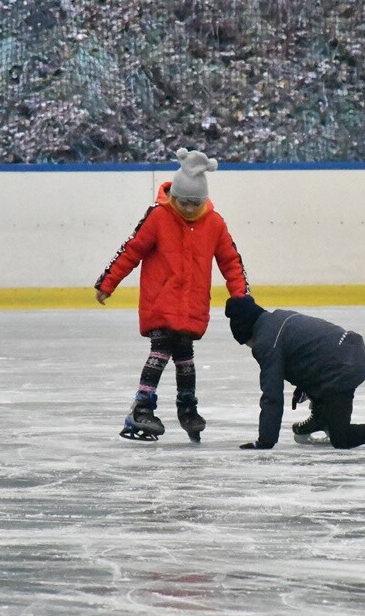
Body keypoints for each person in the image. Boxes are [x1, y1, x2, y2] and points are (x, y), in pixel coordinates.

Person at [95, 148, 250, 442]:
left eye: (196, 203)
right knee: (161, 350)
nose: (189, 209)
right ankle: (141, 407)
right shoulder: (157, 217)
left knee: (185, 358)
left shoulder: (215, 224)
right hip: (160, 302)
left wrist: (241, 296)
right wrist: (108, 282)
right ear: (173, 196)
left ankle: (187, 408)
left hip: (192, 306)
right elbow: (132, 250)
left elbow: (231, 261)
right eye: (183, 202)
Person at [223, 295, 365, 451]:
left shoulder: (265, 342)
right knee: (322, 390)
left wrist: (265, 441)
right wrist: (305, 385)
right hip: (351, 352)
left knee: (342, 438)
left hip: (340, 370)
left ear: (246, 334)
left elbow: (272, 395)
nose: (252, 348)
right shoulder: (279, 318)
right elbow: (310, 351)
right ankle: (321, 418)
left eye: (247, 344)